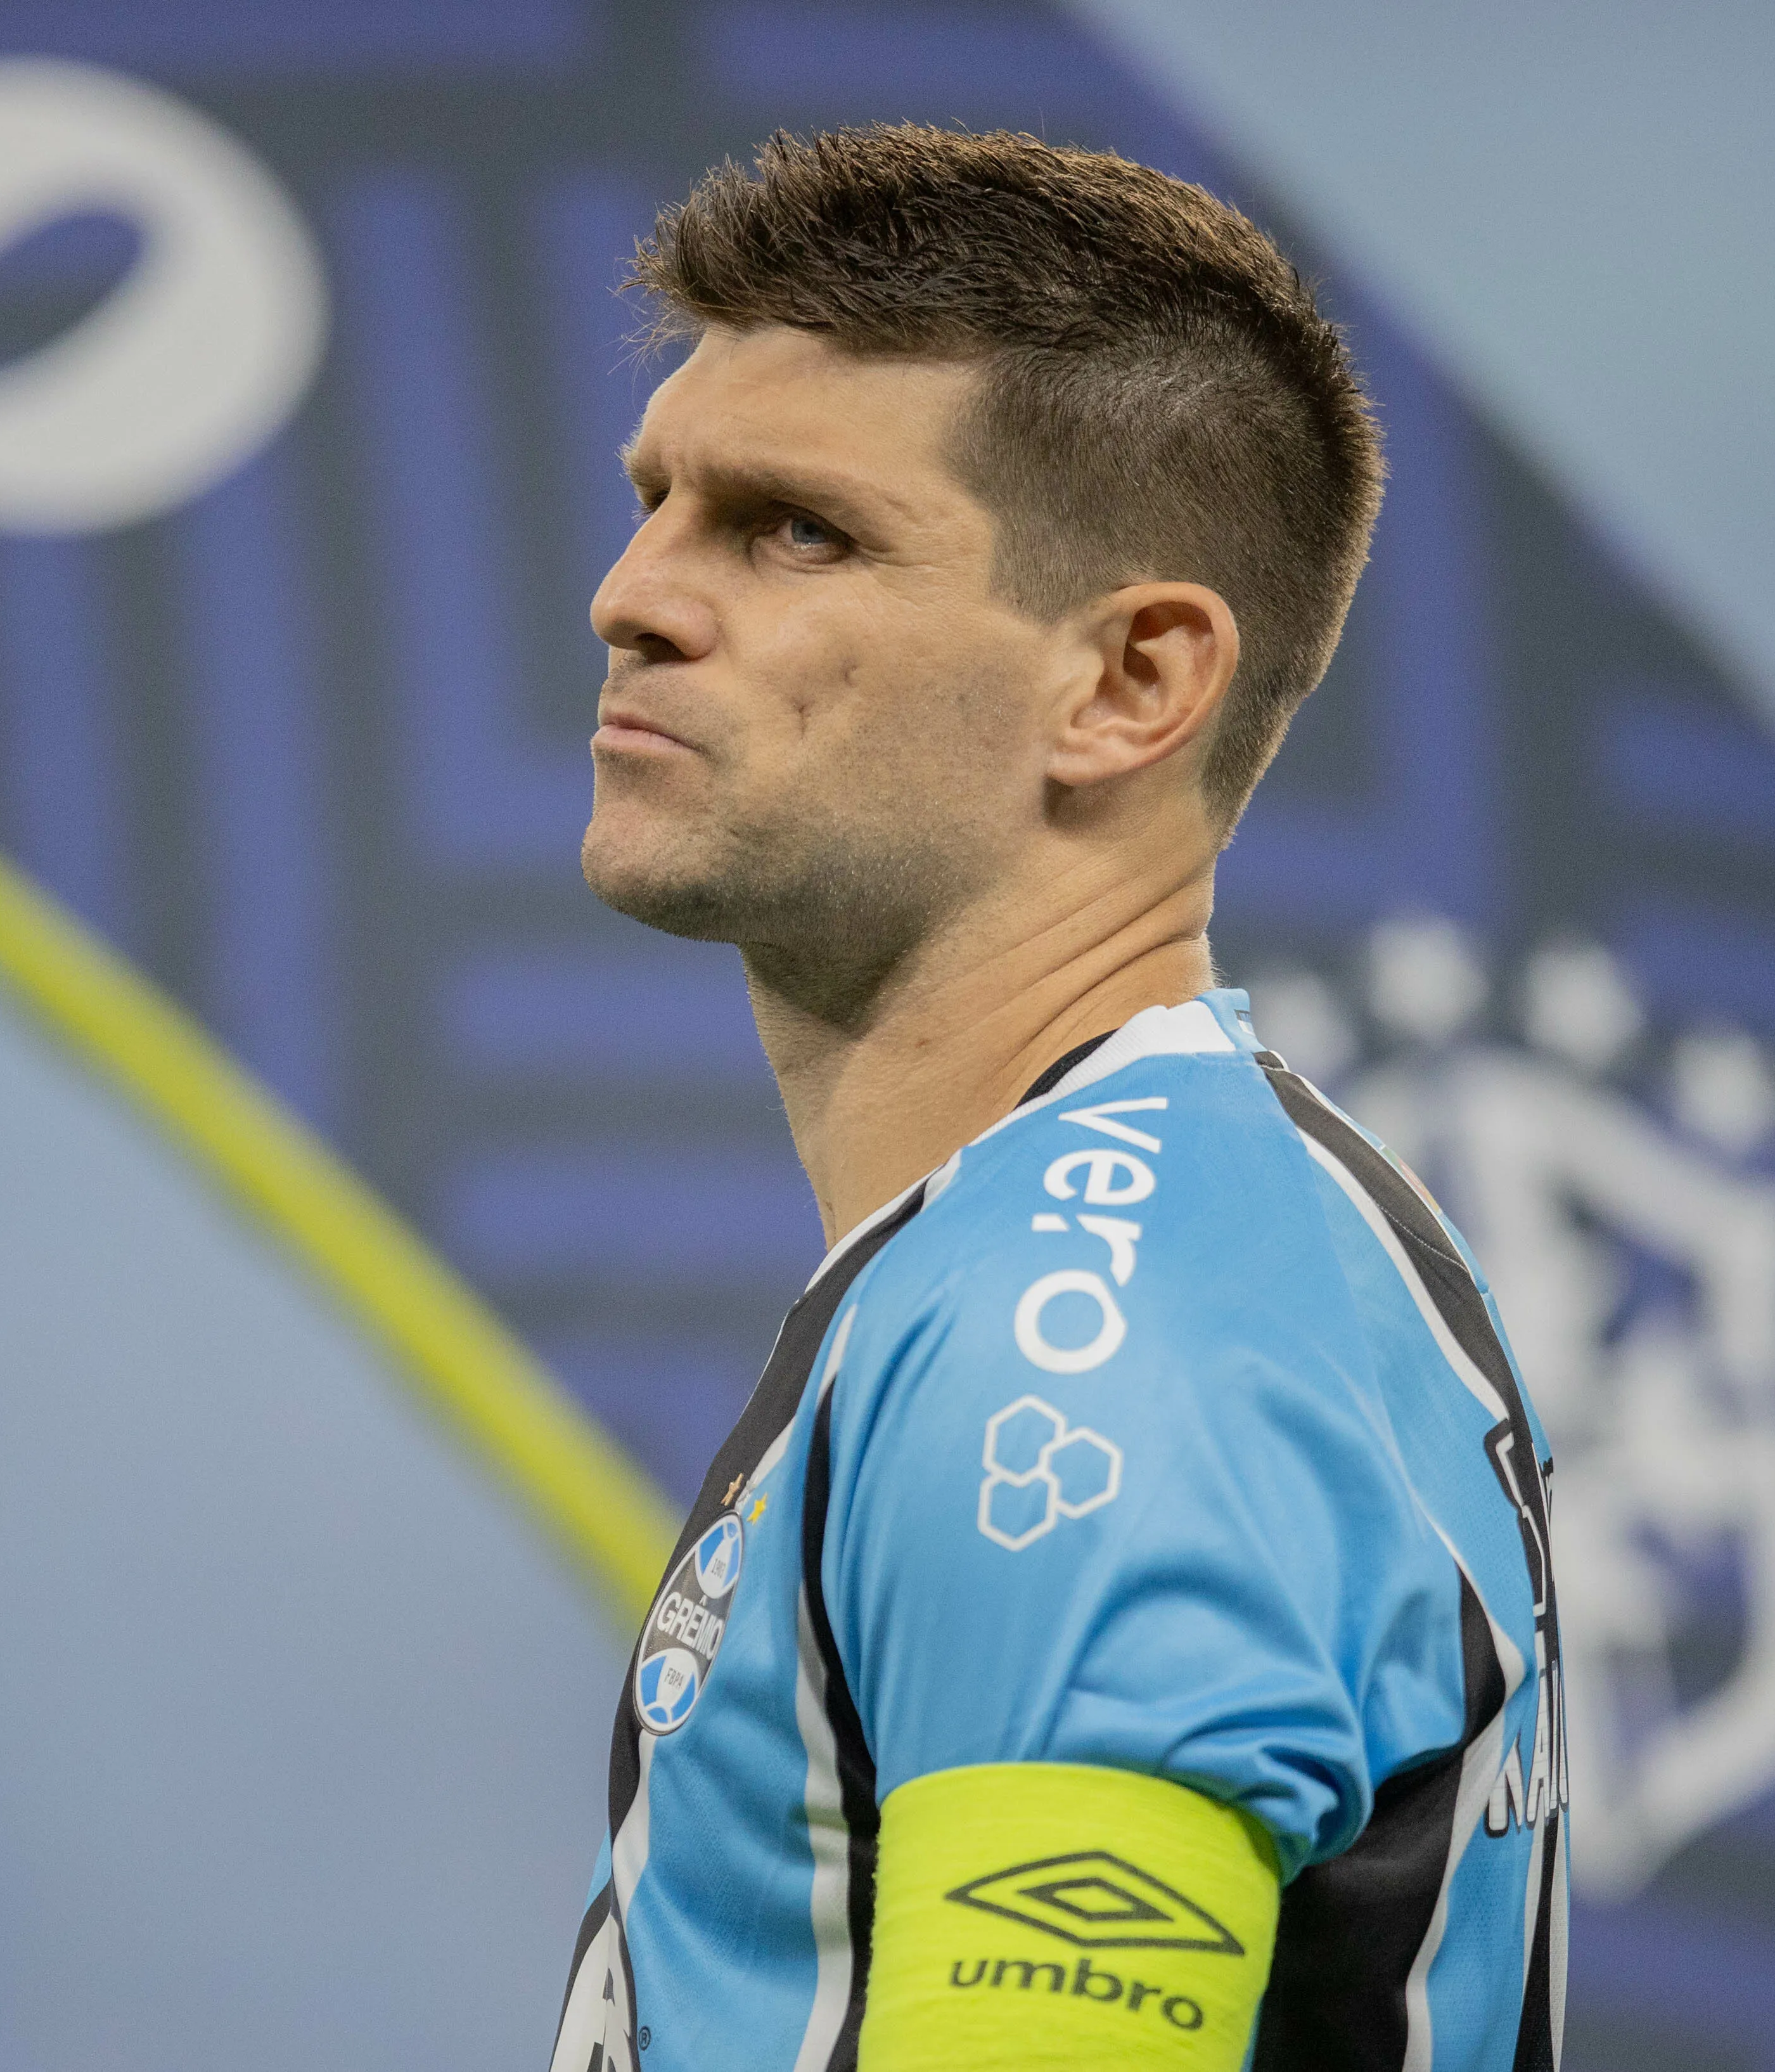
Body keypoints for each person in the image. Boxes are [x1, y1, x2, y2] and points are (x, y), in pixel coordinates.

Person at [546, 126, 1567, 2072]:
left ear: (1128, 682)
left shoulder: (1073, 1345)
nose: (631, 595)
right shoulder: (1191, 1228)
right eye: (656, 499)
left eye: (791, 530)